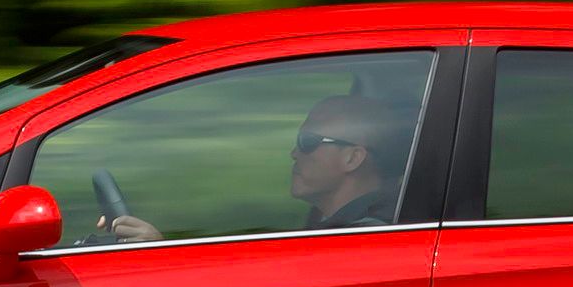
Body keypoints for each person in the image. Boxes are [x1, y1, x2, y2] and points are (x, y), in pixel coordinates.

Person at [98, 93, 414, 241]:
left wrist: (158, 256)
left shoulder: (363, 237)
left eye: (307, 141)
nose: (293, 153)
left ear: (353, 158)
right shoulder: (330, 223)